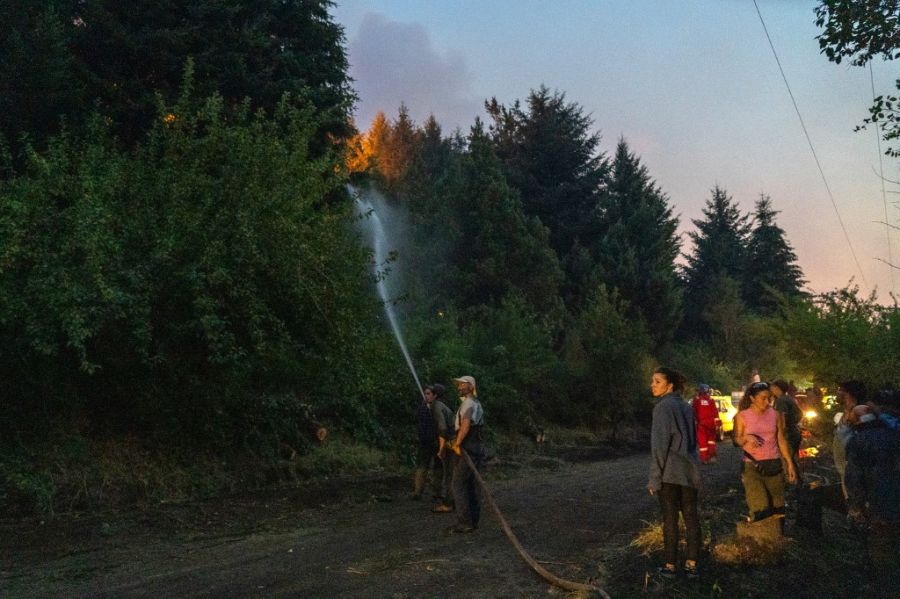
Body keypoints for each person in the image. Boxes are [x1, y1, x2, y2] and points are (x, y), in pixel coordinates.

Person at [647, 367, 702, 580]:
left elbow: (659, 446)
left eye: (657, 381)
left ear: (669, 385)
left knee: (669, 519)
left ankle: (670, 565)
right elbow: (692, 441)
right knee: (691, 517)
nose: (652, 385)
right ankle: (692, 563)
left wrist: (654, 478)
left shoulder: (662, 408)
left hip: (670, 473)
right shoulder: (686, 407)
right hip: (689, 471)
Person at [844, 403, 900, 591]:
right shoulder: (893, 435)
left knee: (880, 544)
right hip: (893, 495)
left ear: (859, 421)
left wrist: (856, 506)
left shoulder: (857, 441)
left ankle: (885, 585)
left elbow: (854, 477)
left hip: (877, 499)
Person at [734, 382, 798, 523]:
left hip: (774, 464)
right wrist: (746, 438)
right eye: (763, 398)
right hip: (752, 466)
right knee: (759, 507)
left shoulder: (775, 415)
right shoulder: (742, 416)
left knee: (778, 508)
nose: (767, 402)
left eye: (769, 398)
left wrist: (789, 463)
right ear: (752, 398)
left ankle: (778, 540)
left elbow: (781, 439)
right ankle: (762, 540)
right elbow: (737, 440)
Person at [448, 375, 485, 533]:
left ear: (471, 386)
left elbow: (466, 425)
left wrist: (457, 443)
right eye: (459, 385)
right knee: (470, 485)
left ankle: (464, 522)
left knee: (458, 484)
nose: (459, 387)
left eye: (463, 384)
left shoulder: (469, 403)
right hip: (475, 447)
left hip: (468, 448)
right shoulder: (474, 403)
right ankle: (472, 521)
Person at [833, 380, 866, 498]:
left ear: (848, 393)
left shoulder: (859, 413)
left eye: (839, 390)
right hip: (845, 470)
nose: (837, 393)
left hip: (855, 471)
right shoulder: (846, 413)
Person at [430, 383, 456, 513]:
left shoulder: (436, 406)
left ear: (435, 395)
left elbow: (442, 428)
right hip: (453, 442)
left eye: (429, 393)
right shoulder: (444, 406)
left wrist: (441, 448)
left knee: (449, 474)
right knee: (451, 474)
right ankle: (454, 501)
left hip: (450, 444)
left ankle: (448, 503)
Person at [411, 386, 439, 500]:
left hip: (437, 442)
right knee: (422, 467)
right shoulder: (422, 408)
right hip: (424, 442)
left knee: (438, 468)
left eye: (428, 393)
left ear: (435, 395)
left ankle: (436, 492)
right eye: (425, 393)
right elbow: (416, 418)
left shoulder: (438, 408)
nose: (426, 396)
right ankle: (417, 492)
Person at [771, 380, 802, 479]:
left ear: (777, 388)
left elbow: (781, 419)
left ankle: (792, 481)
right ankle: (797, 481)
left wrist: (781, 434)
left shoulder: (781, 401)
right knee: (793, 458)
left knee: (787, 458)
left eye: (772, 387)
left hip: (788, 433)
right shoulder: (789, 399)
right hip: (794, 431)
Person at [692, 384, 720, 465]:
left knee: (703, 443)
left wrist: (695, 422)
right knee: (711, 441)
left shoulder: (696, 400)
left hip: (701, 425)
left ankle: (704, 459)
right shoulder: (711, 400)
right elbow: (715, 413)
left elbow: (694, 412)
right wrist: (718, 425)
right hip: (711, 425)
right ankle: (712, 456)